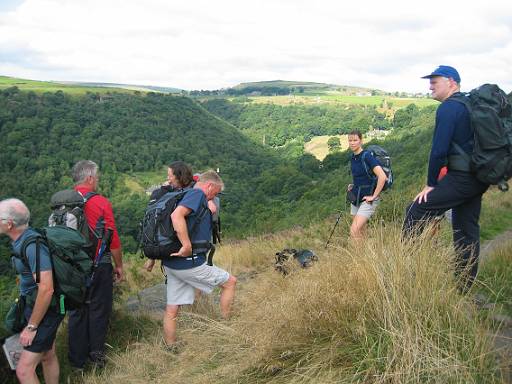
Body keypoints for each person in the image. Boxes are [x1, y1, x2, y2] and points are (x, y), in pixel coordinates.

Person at [402, 65, 489, 291]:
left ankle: (406, 273)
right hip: (478, 177)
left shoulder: (449, 108)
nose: (430, 85)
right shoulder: (470, 104)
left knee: (416, 209)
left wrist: (430, 184)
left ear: (451, 82)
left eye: (435, 81)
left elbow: (438, 151)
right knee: (466, 230)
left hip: (461, 177)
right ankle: (463, 287)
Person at [145, 170, 237, 348]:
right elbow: (176, 216)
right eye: (216, 192)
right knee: (230, 283)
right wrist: (186, 245)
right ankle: (228, 327)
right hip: (189, 263)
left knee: (172, 308)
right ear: (209, 186)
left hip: (171, 263)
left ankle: (171, 346)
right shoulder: (196, 194)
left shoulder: (181, 194)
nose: (215, 196)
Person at [0, 198, 64, 384]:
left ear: (9, 223)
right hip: (38, 306)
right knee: (48, 355)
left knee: (24, 371)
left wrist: (31, 326)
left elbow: (46, 288)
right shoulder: (24, 240)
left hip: (46, 310)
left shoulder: (32, 245)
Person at [67, 160, 124, 369]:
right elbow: (113, 238)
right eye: (97, 177)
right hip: (98, 264)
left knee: (76, 310)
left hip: (70, 267)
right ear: (90, 178)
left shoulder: (64, 203)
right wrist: (119, 266)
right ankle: (97, 356)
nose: (97, 180)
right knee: (99, 309)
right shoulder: (100, 202)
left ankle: (76, 361)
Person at [347, 130, 387, 239]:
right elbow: (361, 176)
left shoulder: (367, 156)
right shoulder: (353, 157)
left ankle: (356, 256)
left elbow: (382, 176)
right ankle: (364, 255)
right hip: (356, 197)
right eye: (350, 140)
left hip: (367, 200)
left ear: (361, 141)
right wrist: (353, 185)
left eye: (355, 140)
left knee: (354, 231)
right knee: (360, 232)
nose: (352, 143)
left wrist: (374, 196)